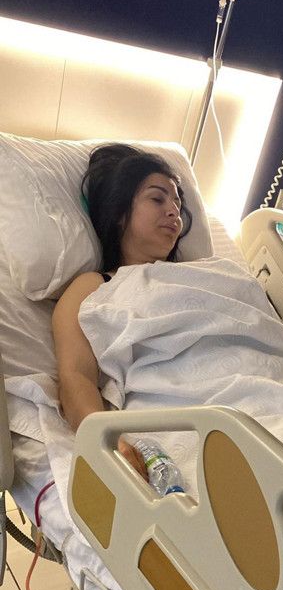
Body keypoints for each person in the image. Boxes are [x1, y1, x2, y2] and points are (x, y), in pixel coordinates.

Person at [52, 144, 192, 478]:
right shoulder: (94, 286)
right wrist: (109, 442)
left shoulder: (208, 275)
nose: (173, 212)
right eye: (157, 199)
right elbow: (76, 376)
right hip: (186, 409)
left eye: (177, 203)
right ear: (119, 213)